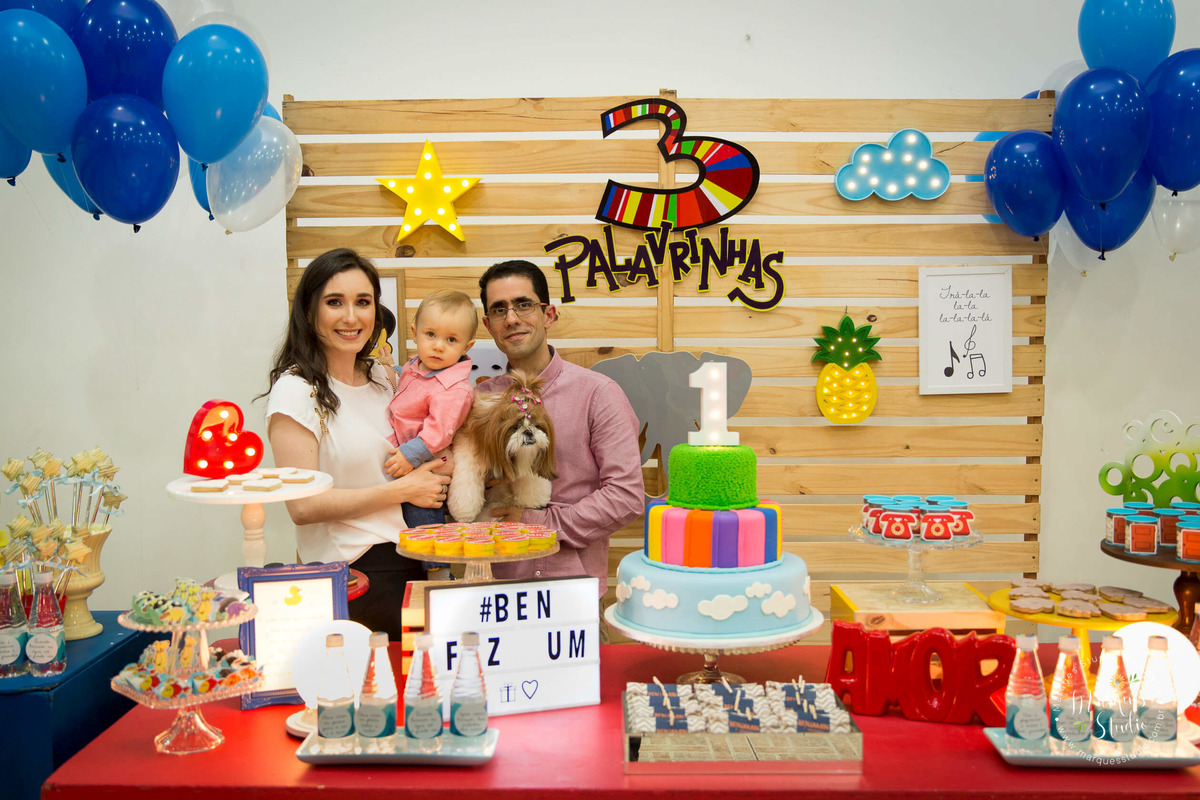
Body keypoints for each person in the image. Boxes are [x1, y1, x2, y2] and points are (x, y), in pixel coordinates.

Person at [263, 248, 451, 637]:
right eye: (335, 302)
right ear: (309, 311)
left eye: (363, 302)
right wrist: (404, 489)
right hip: (355, 576)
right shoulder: (297, 390)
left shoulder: (384, 380)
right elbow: (302, 505)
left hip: (415, 557)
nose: (352, 317)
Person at [475, 260, 644, 635]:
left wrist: (537, 524)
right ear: (487, 325)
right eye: (499, 310)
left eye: (524, 304)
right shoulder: (480, 400)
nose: (512, 318)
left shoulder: (598, 394)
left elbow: (627, 496)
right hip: (497, 603)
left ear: (548, 313)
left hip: (573, 602)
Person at [383, 289, 477, 534]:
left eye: (451, 340)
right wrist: (386, 367)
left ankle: (437, 566)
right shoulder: (416, 365)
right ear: (415, 333)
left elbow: (439, 432)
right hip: (405, 451)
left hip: (427, 457)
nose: (438, 346)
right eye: (431, 334)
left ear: (467, 346)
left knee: (422, 511)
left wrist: (408, 455)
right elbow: (406, 384)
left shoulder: (454, 388)